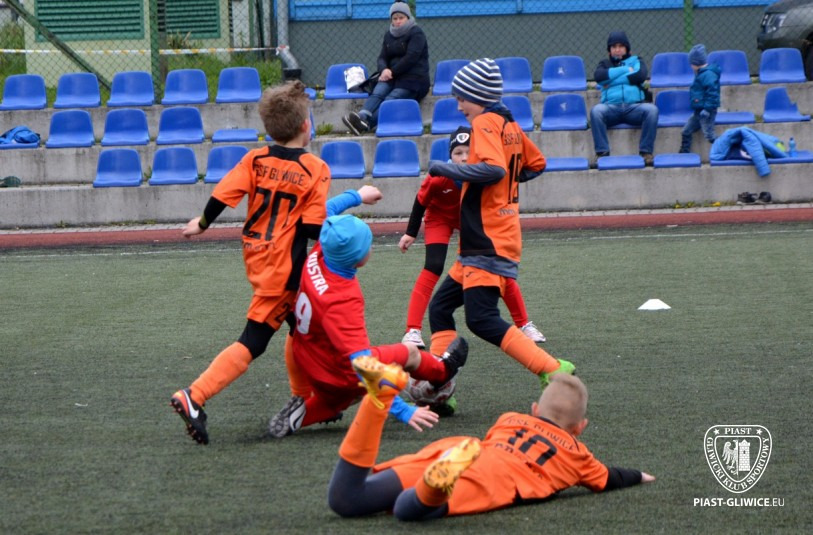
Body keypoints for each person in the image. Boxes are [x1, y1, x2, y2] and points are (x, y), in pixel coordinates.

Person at [169, 80, 333, 446]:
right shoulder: (316, 168)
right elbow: (312, 228)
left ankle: (305, 396)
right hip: (284, 268)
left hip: (257, 257)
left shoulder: (255, 159)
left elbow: (222, 194)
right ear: (306, 124)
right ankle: (194, 395)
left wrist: (202, 223)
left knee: (303, 327)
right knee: (254, 340)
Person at [327, 357, 656, 520]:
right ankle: (433, 487)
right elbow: (610, 478)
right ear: (579, 427)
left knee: (347, 500)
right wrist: (639, 475)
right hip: (492, 479)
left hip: (459, 451)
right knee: (406, 510)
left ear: (534, 409)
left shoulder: (510, 419)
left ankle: (378, 400)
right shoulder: (576, 454)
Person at [424, 58, 574, 388]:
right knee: (440, 308)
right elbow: (536, 164)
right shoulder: (509, 124)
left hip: (487, 239)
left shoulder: (484, 122)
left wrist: (446, 168)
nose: (458, 105)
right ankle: (438, 383)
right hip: (489, 239)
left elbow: (494, 170)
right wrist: (504, 188)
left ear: (477, 95)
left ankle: (552, 368)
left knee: (481, 319)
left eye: (461, 98)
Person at [268, 202, 470, 438]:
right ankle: (443, 371)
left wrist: (357, 196)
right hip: (340, 371)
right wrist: (403, 410)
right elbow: (363, 365)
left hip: (308, 358)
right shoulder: (342, 299)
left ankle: (299, 418)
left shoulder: (320, 252)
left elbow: (327, 211)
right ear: (359, 259)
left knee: (337, 398)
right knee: (409, 353)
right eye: (368, 244)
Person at [399, 126, 546, 348]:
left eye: (469, 151)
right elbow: (420, 201)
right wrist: (410, 233)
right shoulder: (440, 176)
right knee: (433, 266)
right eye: (458, 153)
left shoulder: (485, 175)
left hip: (470, 219)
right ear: (450, 156)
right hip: (439, 218)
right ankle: (412, 330)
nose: (464, 157)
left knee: (496, 265)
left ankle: (524, 324)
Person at [342, 1, 430, 135]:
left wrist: (391, 71)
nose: (398, 21)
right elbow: (382, 57)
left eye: (401, 18)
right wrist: (383, 70)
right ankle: (362, 116)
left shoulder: (417, 33)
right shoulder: (389, 35)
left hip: (413, 80)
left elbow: (411, 57)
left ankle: (366, 125)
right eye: (395, 18)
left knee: (390, 100)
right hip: (391, 76)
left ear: (408, 17)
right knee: (378, 93)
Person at [590, 31, 659, 167]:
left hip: (634, 108)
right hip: (611, 108)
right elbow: (599, 77)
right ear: (609, 50)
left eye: (621, 46)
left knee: (652, 110)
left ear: (627, 48)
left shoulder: (637, 60)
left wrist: (610, 81)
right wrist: (626, 70)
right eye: (614, 47)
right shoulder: (604, 63)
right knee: (596, 111)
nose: (617, 50)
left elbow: (640, 76)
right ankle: (602, 153)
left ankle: (646, 153)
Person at [680, 44, 720, 154]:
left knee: (710, 135)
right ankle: (684, 153)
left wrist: (707, 109)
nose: (690, 66)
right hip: (698, 112)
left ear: (696, 63)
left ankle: (726, 148)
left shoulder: (708, 75)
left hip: (707, 112)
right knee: (686, 131)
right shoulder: (700, 74)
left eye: (691, 63)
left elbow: (713, 94)